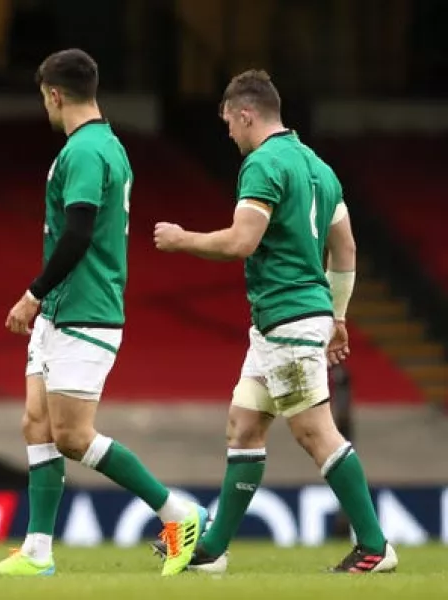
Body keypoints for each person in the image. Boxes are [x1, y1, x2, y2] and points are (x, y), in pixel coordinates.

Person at [0, 48, 205, 579]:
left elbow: (77, 231)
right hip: (63, 310)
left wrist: (32, 293)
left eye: (43, 99)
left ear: (54, 94)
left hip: (86, 308)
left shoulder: (84, 151)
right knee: (36, 423)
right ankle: (37, 550)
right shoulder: (109, 146)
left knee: (73, 435)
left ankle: (178, 513)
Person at [151, 69, 397, 574]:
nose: (228, 134)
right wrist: (339, 315)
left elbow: (242, 242)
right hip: (282, 322)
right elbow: (345, 248)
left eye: (228, 123)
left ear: (246, 113)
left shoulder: (262, 164)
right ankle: (213, 551)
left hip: (287, 317)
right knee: (243, 428)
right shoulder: (317, 168)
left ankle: (374, 546)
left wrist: (182, 239)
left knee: (316, 434)